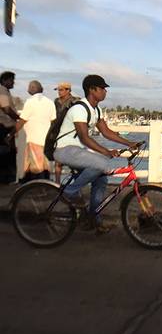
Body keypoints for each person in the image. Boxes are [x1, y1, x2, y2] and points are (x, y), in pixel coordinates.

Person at [53, 74, 139, 234]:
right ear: (92, 90)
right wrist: (106, 151)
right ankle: (70, 192)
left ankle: (93, 220)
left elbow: (106, 132)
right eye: (102, 88)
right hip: (65, 150)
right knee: (101, 164)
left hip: (78, 151)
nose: (105, 91)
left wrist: (129, 143)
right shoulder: (79, 109)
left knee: (101, 180)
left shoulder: (96, 110)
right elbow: (84, 137)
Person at [15, 80, 56, 182]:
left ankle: (36, 186)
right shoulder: (50, 102)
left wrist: (11, 133)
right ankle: (44, 185)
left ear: (33, 88)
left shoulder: (30, 101)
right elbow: (53, 121)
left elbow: (22, 120)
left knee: (36, 168)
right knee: (44, 165)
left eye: (29, 87)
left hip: (34, 140)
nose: (27, 89)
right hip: (46, 140)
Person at [53, 81, 80, 183]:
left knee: (75, 164)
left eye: (61, 90)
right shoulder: (56, 101)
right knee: (58, 162)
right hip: (59, 134)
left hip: (71, 135)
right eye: (58, 90)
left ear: (68, 90)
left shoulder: (75, 101)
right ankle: (57, 184)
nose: (59, 92)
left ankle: (77, 184)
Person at [0, 71, 19, 184]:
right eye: (11, 80)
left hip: (6, 126)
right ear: (4, 80)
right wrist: (18, 117)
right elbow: (7, 109)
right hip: (3, 127)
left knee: (8, 153)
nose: (13, 83)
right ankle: (6, 180)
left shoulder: (5, 91)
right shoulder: (2, 91)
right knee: (6, 154)